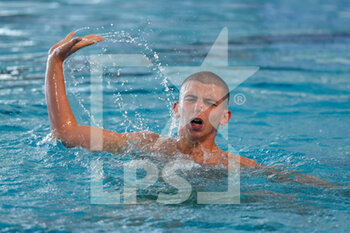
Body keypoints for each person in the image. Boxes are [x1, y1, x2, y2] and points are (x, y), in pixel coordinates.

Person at [45, 32, 258, 168]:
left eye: (210, 102)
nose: (199, 106)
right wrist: (54, 61)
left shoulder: (233, 165)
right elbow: (66, 134)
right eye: (191, 99)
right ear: (176, 109)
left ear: (224, 117)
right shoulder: (147, 144)